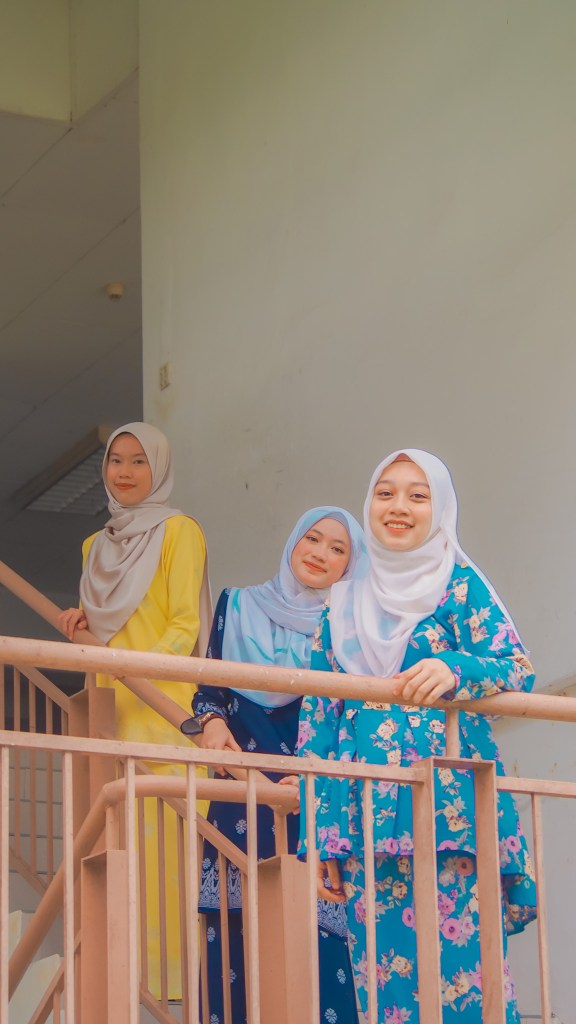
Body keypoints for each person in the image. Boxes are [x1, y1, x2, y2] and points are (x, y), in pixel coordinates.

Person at [297, 450, 537, 1024]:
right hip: (365, 817)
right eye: (385, 493)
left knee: (468, 983)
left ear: (441, 509)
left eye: (417, 495)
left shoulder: (459, 584)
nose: (398, 506)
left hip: (453, 814)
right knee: (385, 988)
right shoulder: (342, 603)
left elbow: (516, 666)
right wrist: (318, 835)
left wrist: (456, 668)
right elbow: (319, 723)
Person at [189, 507, 368, 1024]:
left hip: (310, 798)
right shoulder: (237, 604)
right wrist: (210, 720)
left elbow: (354, 717)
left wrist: (321, 768)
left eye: (338, 549)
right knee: (234, 936)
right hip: (239, 794)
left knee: (320, 940)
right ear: (293, 542)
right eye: (312, 538)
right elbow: (210, 687)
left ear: (350, 566)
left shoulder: (350, 627)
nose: (320, 553)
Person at [59, 421, 211, 1001]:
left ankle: (173, 988)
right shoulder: (92, 546)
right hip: (108, 711)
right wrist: (80, 620)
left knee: (167, 852)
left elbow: (184, 626)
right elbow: (104, 622)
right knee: (113, 846)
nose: (123, 472)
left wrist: (133, 670)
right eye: (115, 460)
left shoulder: (179, 531)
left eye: (138, 461)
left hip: (161, 710)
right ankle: (122, 980)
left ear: (160, 469)